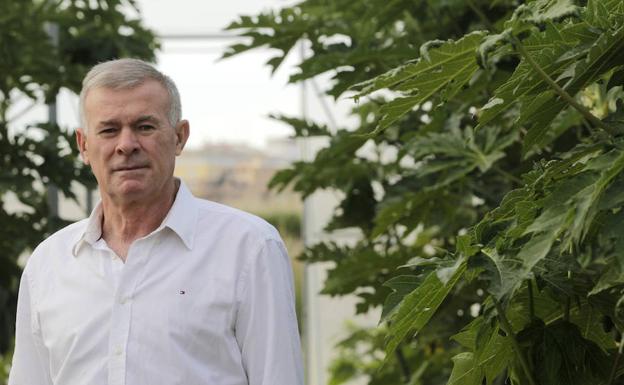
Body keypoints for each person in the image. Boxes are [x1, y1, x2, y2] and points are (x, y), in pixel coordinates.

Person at [8, 58, 303, 385]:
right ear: (84, 145)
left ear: (179, 137)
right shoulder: (48, 264)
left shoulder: (249, 248)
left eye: (145, 127)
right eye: (108, 129)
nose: (126, 145)